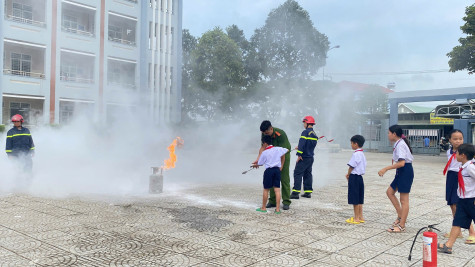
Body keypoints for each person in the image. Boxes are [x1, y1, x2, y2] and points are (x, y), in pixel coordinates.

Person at [438, 144, 475, 254]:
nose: (455, 155)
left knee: (458, 221)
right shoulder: (464, 166)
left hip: (471, 201)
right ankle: (448, 245)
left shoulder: (470, 167)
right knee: (457, 222)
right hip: (463, 200)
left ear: (463, 155)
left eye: (457, 153)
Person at [378, 125, 414, 233]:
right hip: (401, 172)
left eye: (389, 133)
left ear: (394, 134)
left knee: (404, 200)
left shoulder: (401, 145)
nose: (388, 135)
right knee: (390, 192)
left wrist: (386, 168)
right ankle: (400, 215)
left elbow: (402, 163)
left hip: (405, 171)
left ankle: (402, 225)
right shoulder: (399, 143)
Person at [253, 120, 292, 210]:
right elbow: (263, 148)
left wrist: (281, 166)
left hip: (283, 156)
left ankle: (286, 201)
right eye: (264, 133)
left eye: (267, 132)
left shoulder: (280, 134)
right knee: (271, 177)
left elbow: (284, 152)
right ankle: (272, 201)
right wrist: (258, 160)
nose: (266, 134)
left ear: (271, 128)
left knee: (284, 178)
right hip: (271, 156)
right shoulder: (264, 133)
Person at [290, 116, 318, 199]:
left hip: (304, 157)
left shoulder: (305, 132)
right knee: (307, 174)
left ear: (307, 123)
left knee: (297, 173)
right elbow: (308, 145)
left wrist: (299, 154)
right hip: (310, 157)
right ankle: (308, 192)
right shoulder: (314, 134)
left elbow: (302, 143)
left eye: (304, 123)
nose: (303, 124)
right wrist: (301, 148)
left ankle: (295, 193)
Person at [345, 135, 367, 224]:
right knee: (359, 198)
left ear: (356, 143)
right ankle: (361, 216)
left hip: (354, 177)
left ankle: (356, 218)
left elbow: (351, 166)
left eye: (351, 143)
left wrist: (348, 174)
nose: (351, 145)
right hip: (360, 178)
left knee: (354, 198)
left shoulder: (356, 154)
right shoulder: (362, 154)